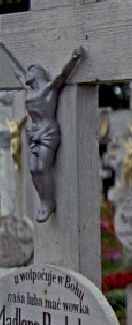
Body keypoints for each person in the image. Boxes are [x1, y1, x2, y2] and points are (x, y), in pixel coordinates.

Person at [0, 43, 85, 222]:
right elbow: (16, 70)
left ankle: (48, 203)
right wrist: (3, 48)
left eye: (31, 70)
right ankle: (44, 201)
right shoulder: (29, 90)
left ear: (37, 74)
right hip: (34, 132)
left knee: (42, 167)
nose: (27, 73)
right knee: (33, 169)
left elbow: (62, 75)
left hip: (48, 131)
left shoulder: (48, 89)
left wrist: (74, 58)